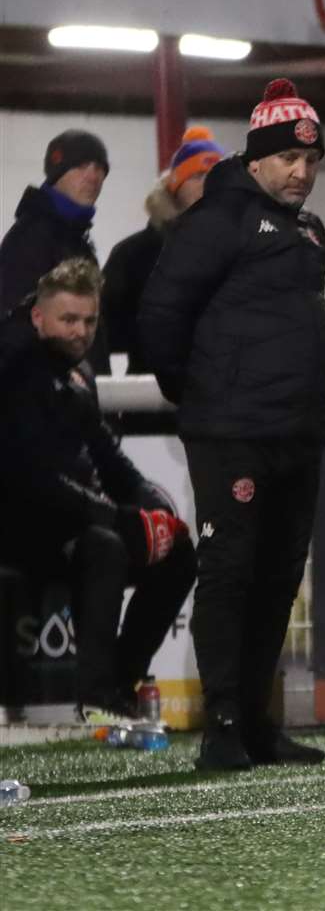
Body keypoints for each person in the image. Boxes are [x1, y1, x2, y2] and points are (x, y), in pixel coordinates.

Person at [139, 79, 325, 772]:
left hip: (296, 433)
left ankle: (255, 721)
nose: (301, 173)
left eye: (310, 161)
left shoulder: (310, 231)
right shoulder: (216, 220)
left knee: (279, 578)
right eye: (288, 160)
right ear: (256, 159)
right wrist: (196, 396)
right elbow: (160, 316)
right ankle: (220, 724)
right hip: (232, 432)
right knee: (229, 573)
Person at [0, 258, 196, 723]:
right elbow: (34, 477)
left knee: (179, 552)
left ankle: (119, 684)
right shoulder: (16, 372)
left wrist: (156, 507)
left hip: (66, 520)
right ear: (38, 317)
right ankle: (93, 698)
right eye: (68, 319)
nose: (80, 331)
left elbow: (108, 458)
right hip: (18, 525)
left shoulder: (80, 374)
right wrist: (120, 519)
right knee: (104, 547)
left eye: (89, 321)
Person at [103, 126, 223, 375]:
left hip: (223, 398)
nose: (208, 185)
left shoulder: (241, 250)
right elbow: (105, 331)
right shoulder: (133, 254)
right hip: (152, 396)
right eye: (198, 176)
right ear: (175, 186)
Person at [0, 129, 112, 372]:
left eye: (100, 168)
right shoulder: (32, 239)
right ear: (57, 173)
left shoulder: (72, 239)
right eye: (81, 165)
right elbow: (13, 328)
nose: (93, 176)